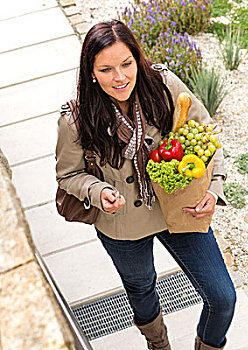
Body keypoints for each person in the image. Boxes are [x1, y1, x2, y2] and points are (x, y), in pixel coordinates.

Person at [55, 20, 236, 350]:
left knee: (222, 298)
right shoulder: (76, 119)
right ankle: (158, 345)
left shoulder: (164, 86)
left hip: (180, 208)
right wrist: (98, 192)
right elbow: (68, 175)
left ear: (138, 58)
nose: (120, 77)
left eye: (127, 64)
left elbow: (205, 129)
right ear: (91, 72)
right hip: (122, 224)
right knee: (141, 289)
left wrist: (214, 188)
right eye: (106, 69)